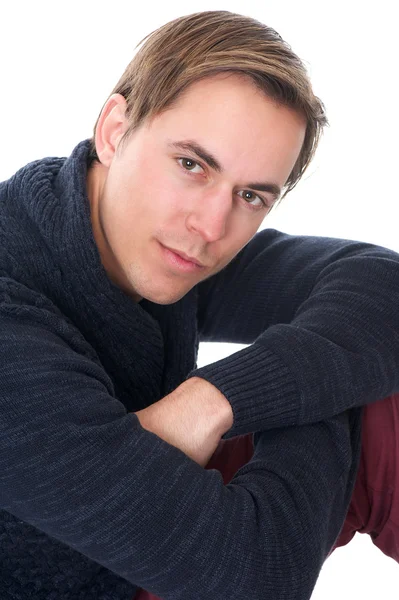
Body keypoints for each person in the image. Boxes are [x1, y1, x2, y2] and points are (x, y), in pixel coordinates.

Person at [0, 9, 398, 600]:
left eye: (251, 195)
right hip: (87, 583)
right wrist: (317, 382)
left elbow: (380, 280)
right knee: (358, 373)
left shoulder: (141, 235)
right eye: (192, 164)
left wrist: (214, 399)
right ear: (114, 130)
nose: (212, 226)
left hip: (153, 517)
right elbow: (255, 577)